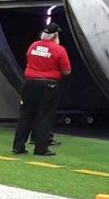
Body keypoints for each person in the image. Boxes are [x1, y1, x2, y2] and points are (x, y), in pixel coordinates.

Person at [13, 23, 71, 157]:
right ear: (55, 35)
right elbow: (67, 70)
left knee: (26, 115)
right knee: (44, 116)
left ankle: (18, 146)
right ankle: (41, 148)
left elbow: (28, 59)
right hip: (49, 85)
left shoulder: (33, 45)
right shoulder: (59, 49)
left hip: (30, 83)